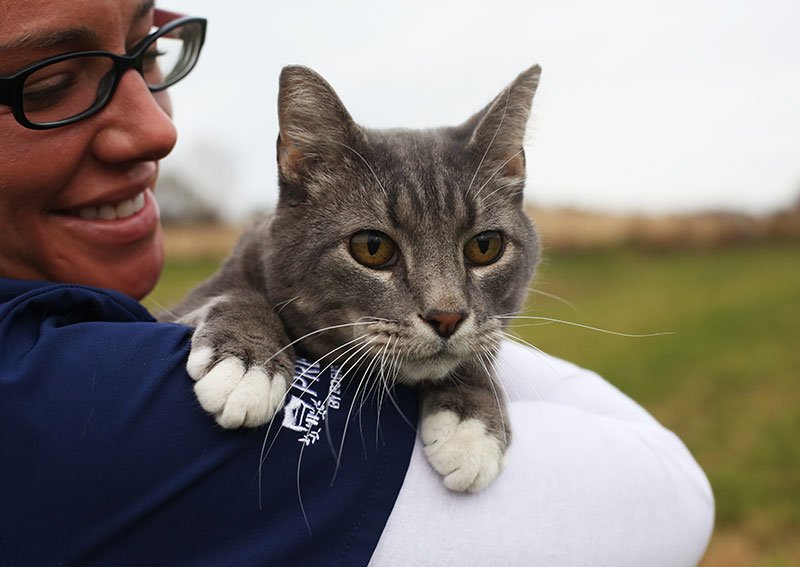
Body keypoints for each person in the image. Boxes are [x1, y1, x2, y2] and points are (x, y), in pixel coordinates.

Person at [0, 1, 715, 565]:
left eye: (149, 49)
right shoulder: (64, 411)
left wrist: (465, 366)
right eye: (50, 81)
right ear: (298, 172)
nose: (445, 305)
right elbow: (672, 497)